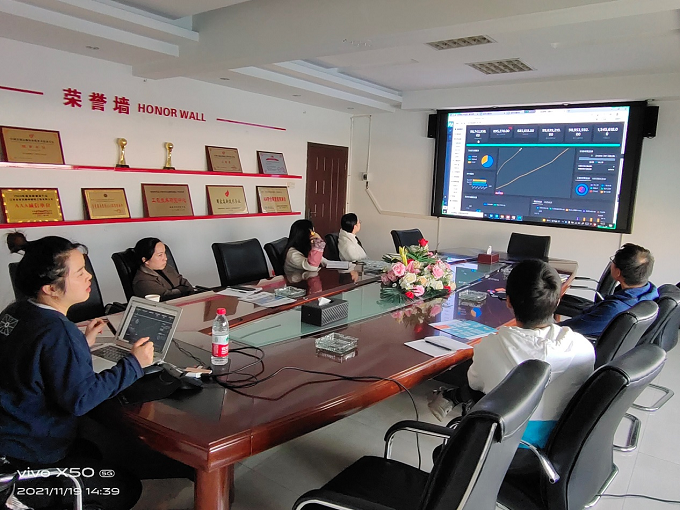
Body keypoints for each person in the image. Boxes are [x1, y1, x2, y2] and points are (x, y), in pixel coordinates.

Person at [0, 232, 154, 509]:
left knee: (93, 448)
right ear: (50, 288)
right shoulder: (58, 331)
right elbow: (81, 399)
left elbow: (27, 358)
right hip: (27, 457)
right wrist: (134, 363)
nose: (89, 277)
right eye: (80, 272)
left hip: (10, 437)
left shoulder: (17, 311)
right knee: (125, 487)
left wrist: (80, 344)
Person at [428, 259, 595, 448]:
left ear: (508, 301)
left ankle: (448, 398)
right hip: (561, 446)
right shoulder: (584, 348)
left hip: (503, 446)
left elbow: (475, 385)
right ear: (557, 301)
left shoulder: (492, 347)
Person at [559, 243, 658, 337]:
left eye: (613, 262)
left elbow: (564, 329)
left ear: (618, 272)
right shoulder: (652, 292)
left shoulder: (613, 310)